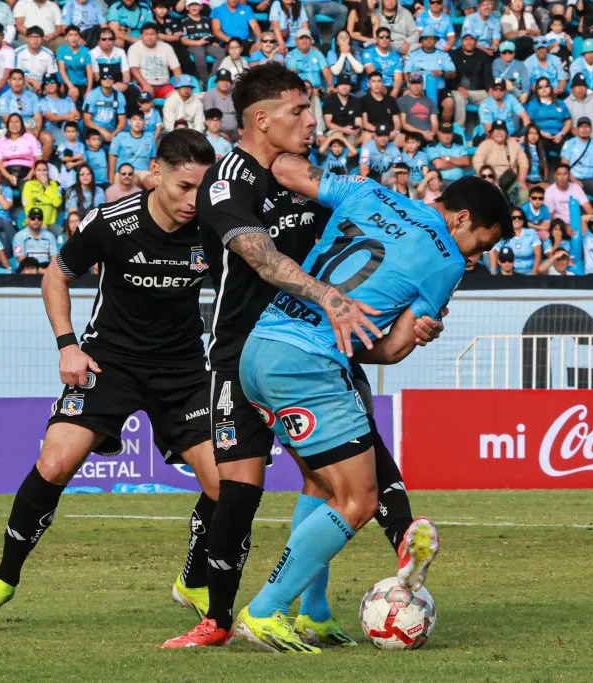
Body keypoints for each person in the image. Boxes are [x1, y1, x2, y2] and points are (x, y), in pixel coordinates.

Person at [162, 63, 434, 651]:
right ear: (262, 119)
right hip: (241, 356)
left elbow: (363, 233)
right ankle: (218, 618)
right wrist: (331, 298)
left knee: (334, 478)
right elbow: (260, 258)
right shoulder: (224, 184)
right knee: (239, 490)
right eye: (298, 112)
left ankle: (315, 608)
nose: (312, 122)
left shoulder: (298, 179)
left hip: (313, 349)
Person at [231, 166, 505, 653]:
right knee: (357, 501)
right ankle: (265, 609)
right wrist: (414, 335)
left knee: (321, 483)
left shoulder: (368, 192)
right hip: (307, 364)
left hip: (260, 345)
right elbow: (387, 352)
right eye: (481, 244)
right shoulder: (447, 265)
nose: (478, 257)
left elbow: (288, 169)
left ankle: (313, 613)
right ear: (461, 219)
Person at [0, 129, 223, 629]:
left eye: (202, 188)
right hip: (110, 362)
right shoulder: (111, 222)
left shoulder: (214, 228)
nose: (193, 200)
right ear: (156, 173)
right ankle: (4, 578)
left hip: (184, 371)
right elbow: (55, 276)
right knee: (55, 462)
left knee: (225, 484)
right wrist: (68, 346)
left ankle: (191, 581)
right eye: (183, 187)